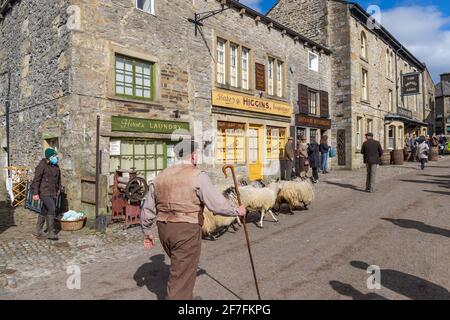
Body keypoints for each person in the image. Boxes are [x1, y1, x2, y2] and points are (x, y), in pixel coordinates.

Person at [140, 141, 246, 300]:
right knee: (181, 275)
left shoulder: (160, 176)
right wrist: (236, 210)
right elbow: (216, 204)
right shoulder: (197, 175)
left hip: (164, 229)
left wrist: (147, 231)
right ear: (194, 156)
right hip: (186, 230)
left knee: (181, 268)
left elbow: (147, 208)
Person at [31, 148, 61, 241]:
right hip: (43, 191)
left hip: (52, 192)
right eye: (53, 156)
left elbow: (58, 180)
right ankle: (51, 233)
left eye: (56, 156)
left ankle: (38, 230)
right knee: (52, 208)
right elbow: (36, 180)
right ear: (49, 157)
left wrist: (59, 189)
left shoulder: (56, 166)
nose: (55, 157)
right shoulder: (42, 165)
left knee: (44, 210)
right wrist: (35, 193)